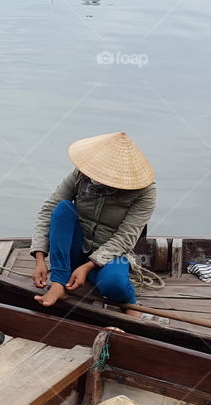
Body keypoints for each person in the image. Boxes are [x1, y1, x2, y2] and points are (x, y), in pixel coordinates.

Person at [30, 132, 156, 313]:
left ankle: (130, 301)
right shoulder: (81, 175)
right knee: (63, 208)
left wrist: (88, 266)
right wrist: (40, 258)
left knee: (114, 286)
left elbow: (126, 237)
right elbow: (49, 210)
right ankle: (59, 282)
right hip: (75, 247)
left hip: (110, 255)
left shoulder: (145, 192)